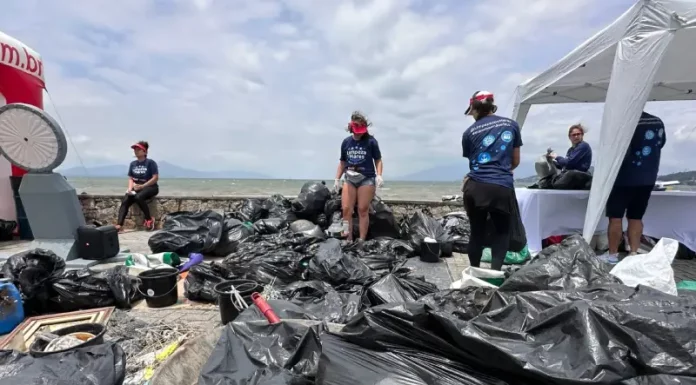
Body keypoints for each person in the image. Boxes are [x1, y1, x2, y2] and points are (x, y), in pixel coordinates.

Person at [461, 91, 522, 271]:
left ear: (474, 108)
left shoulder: (469, 132)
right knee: (502, 232)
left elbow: (474, 163)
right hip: (501, 186)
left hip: (475, 186)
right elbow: (515, 161)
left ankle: (474, 272)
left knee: (476, 232)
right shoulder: (511, 125)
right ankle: (494, 274)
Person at [600, 111, 666, 263]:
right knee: (636, 217)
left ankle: (612, 255)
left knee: (615, 217)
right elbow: (661, 144)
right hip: (648, 177)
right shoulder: (657, 121)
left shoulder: (623, 119)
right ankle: (633, 253)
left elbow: (611, 148)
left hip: (623, 178)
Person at [333, 111, 384, 242]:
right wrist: (337, 179)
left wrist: (379, 175)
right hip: (349, 177)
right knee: (346, 210)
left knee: (362, 209)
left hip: (366, 178)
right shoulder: (346, 142)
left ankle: (361, 239)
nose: (360, 133)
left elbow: (378, 160)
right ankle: (347, 238)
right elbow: (342, 162)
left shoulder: (371, 142)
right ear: (351, 128)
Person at [116, 141, 159, 231]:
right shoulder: (133, 164)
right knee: (126, 200)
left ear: (145, 152)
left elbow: (155, 178)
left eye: (139, 149)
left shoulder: (150, 163)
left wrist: (143, 186)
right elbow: (131, 178)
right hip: (137, 188)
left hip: (151, 187)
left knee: (139, 197)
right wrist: (129, 189)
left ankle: (149, 219)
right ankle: (119, 225)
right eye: (135, 149)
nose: (136, 151)